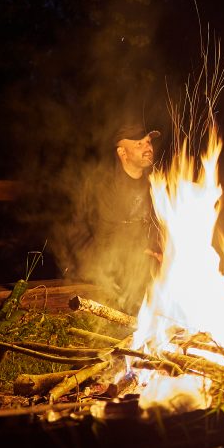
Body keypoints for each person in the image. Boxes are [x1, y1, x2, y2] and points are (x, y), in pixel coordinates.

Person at [72, 123, 164, 313]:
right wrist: (143, 253)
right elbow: (104, 236)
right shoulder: (105, 184)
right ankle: (136, 322)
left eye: (148, 142)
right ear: (123, 153)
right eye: (139, 144)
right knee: (140, 269)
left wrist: (164, 249)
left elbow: (158, 223)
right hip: (103, 258)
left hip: (140, 255)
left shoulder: (154, 180)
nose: (148, 147)